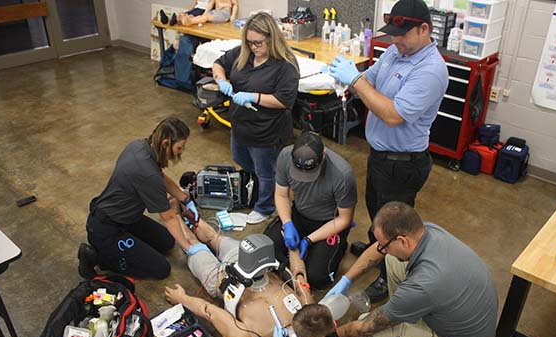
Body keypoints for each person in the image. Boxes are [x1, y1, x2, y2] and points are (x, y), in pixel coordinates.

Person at [328, 0, 449, 302]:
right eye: (392, 34)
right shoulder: (397, 51)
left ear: (425, 29)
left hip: (403, 164)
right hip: (380, 156)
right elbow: (371, 79)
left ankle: (388, 274)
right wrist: (348, 79)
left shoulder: (431, 70)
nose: (395, 41)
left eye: (402, 34)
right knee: (376, 213)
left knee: (395, 227)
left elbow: (393, 114)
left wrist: (355, 80)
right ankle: (376, 247)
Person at [325, 202, 498, 337]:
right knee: (391, 259)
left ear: (402, 240)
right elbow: (379, 249)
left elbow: (365, 328)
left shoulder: (424, 284)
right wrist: (346, 279)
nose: (381, 249)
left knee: (370, 329)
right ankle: (405, 312)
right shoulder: (426, 231)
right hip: (465, 313)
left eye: (384, 245)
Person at [164, 204, 313, 337]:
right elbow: (299, 275)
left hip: (218, 279)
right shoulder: (307, 310)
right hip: (249, 260)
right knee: (212, 237)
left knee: (194, 245)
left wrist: (181, 299)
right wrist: (291, 246)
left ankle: (174, 213)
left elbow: (209, 311)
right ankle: (187, 205)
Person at [77, 117, 199, 280]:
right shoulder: (147, 174)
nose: (180, 152)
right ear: (165, 144)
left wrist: (185, 199)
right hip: (106, 228)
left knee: (167, 241)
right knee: (161, 269)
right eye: (179, 148)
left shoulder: (140, 146)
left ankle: (128, 244)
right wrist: (189, 247)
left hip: (126, 218)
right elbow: (168, 217)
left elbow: (160, 176)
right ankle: (97, 256)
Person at [212, 12, 300, 225]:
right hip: (240, 127)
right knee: (242, 160)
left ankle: (266, 207)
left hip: (266, 132)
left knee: (267, 171)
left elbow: (284, 100)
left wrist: (254, 97)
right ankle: (259, 190)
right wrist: (221, 80)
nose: (253, 47)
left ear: (271, 39)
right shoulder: (244, 54)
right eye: (249, 42)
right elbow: (218, 64)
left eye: (258, 43)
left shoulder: (285, 65)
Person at [265, 132, 357, 290]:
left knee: (316, 278)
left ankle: (338, 247)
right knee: (265, 250)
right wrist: (287, 223)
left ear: (324, 154)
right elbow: (281, 194)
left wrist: (309, 239)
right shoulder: (285, 156)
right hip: (299, 215)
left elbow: (344, 219)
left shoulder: (342, 174)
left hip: (329, 222)